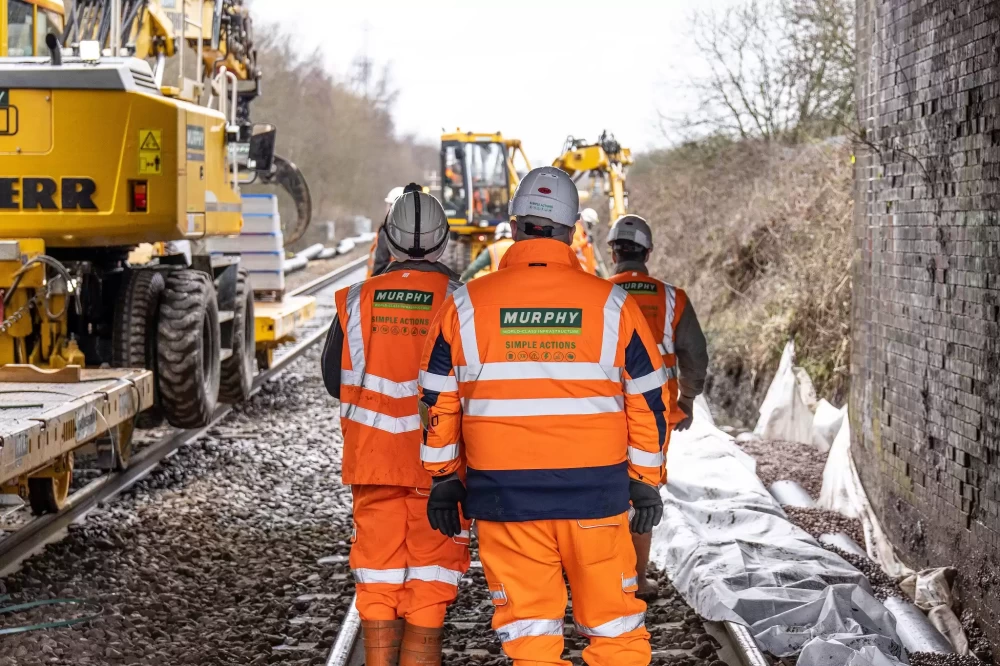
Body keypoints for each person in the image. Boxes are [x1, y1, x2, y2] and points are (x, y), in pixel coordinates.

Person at [416, 166, 668, 666]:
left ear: (513, 226)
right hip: (596, 496)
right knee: (616, 629)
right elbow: (647, 398)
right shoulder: (613, 305)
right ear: (573, 230)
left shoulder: (466, 304)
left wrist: (444, 477)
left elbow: (437, 397)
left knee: (530, 634)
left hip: (505, 498)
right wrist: (644, 479)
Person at [322, 191, 469, 666]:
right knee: (431, 578)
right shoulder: (461, 300)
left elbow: (332, 379)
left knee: (378, 575)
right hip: (440, 466)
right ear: (444, 243)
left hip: (373, 460)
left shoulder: (357, 299)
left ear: (387, 240)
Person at [606, 213, 709, 601]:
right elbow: (694, 355)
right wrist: (686, 399)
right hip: (656, 413)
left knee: (605, 486)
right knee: (643, 488)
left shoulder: (598, 294)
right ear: (648, 252)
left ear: (613, 250)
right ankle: (636, 578)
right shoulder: (672, 298)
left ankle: (601, 573)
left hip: (604, 411)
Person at [572, 207, 602, 276]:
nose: (591, 227)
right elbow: (572, 248)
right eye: (590, 224)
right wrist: (585, 241)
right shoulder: (576, 231)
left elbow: (589, 255)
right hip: (579, 273)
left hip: (589, 273)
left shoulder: (585, 235)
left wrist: (595, 266)